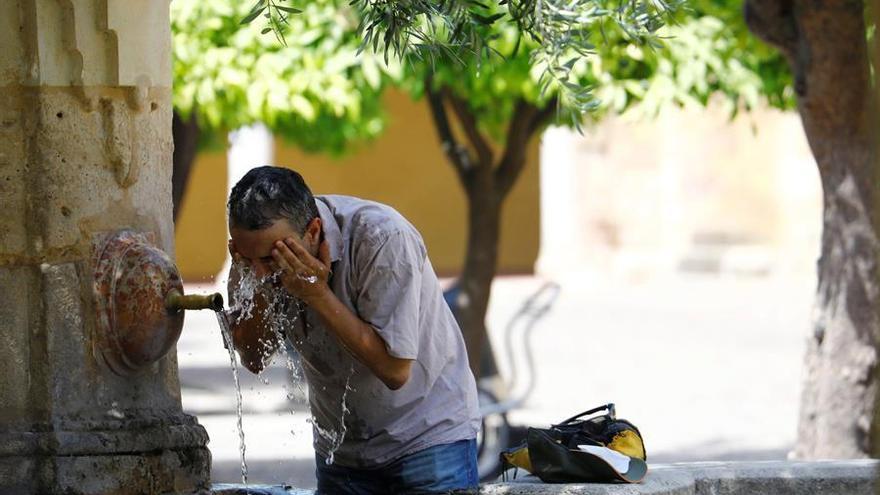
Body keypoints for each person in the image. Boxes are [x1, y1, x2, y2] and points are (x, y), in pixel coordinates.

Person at [224, 165, 481, 494]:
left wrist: (317, 294)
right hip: (342, 453)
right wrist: (254, 280)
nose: (260, 272)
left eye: (275, 258)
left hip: (426, 440)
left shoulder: (382, 238)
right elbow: (253, 358)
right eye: (248, 258)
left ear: (314, 231)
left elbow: (394, 369)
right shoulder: (252, 261)